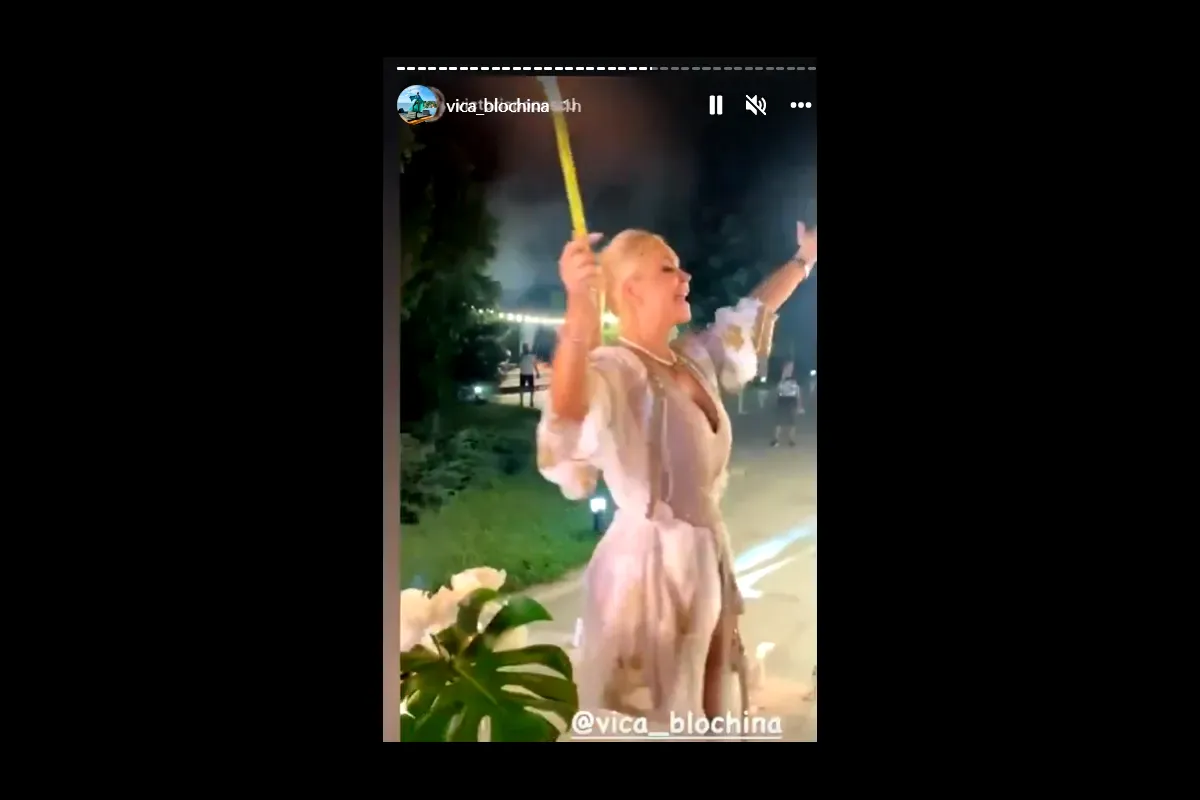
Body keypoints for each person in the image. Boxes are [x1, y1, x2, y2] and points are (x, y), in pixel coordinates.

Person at [537, 221, 817, 722]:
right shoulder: (615, 368)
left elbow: (754, 312)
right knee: (654, 716)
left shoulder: (693, 359)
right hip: (648, 576)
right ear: (631, 290)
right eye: (669, 269)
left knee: (710, 706)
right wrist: (580, 309)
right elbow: (569, 415)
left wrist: (804, 259)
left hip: (707, 562)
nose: (685, 277)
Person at [771, 361, 803, 447]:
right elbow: (778, 390)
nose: (790, 368)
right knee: (779, 421)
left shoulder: (795, 378)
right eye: (789, 366)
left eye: (791, 367)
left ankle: (791, 440)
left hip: (791, 400)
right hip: (782, 399)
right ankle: (776, 439)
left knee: (792, 422)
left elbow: (798, 392)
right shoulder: (781, 378)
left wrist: (799, 406)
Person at [518, 343, 539, 408]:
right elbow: (518, 363)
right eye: (524, 347)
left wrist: (537, 372)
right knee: (523, 388)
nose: (525, 349)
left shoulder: (531, 356)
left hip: (528, 374)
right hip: (524, 374)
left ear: (527, 348)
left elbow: (535, 365)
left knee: (530, 388)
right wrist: (537, 372)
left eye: (526, 347)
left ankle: (530, 401)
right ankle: (522, 402)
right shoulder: (521, 356)